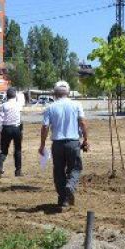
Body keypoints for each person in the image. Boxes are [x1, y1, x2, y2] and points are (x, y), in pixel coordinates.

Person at [39, 81, 89, 212]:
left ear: (55, 93)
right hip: (73, 142)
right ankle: (70, 187)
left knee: (58, 171)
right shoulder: (77, 105)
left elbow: (45, 127)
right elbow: (83, 123)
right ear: (68, 92)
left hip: (57, 144)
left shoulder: (50, 107)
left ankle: (63, 199)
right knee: (75, 168)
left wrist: (42, 144)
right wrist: (86, 139)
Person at [0, 87, 24, 177]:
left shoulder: (3, 105)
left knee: (4, 150)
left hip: (6, 128)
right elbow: (20, 118)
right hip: (16, 128)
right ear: (15, 95)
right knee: (17, 150)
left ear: (7, 95)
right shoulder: (19, 105)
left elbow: (0, 119)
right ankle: (18, 171)